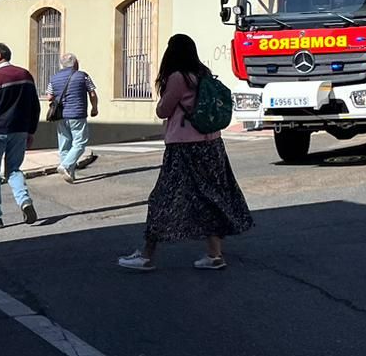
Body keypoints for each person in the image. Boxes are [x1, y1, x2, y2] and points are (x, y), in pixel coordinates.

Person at [118, 34, 252, 271]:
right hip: (211, 144)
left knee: (162, 198)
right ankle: (214, 253)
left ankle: (147, 256)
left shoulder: (178, 77)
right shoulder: (202, 74)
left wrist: (162, 100)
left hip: (184, 146)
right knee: (210, 196)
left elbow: (163, 110)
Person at [0, 42, 40, 229]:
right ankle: (24, 200)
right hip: (20, 131)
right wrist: (30, 131)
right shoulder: (25, 75)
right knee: (14, 169)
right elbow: (35, 106)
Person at [46, 53, 98, 183]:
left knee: (65, 145)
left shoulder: (54, 78)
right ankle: (65, 166)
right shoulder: (83, 76)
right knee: (80, 143)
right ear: (75, 63)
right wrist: (94, 108)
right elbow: (92, 93)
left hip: (61, 115)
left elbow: (49, 97)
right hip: (77, 113)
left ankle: (70, 173)